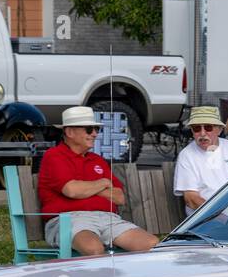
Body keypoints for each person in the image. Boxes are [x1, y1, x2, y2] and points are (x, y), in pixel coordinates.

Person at [38, 106, 158, 256]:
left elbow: (119, 197)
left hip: (108, 219)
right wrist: (103, 183)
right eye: (89, 129)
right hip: (70, 219)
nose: (95, 134)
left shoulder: (97, 160)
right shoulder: (54, 156)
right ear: (69, 132)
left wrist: (85, 189)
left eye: (96, 129)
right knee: (93, 249)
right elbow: (72, 190)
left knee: (153, 246)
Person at [174, 106, 228, 215]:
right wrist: (226, 220)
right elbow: (191, 200)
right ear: (192, 131)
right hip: (209, 222)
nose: (202, 133)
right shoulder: (187, 155)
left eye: (208, 128)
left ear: (219, 130)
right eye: (197, 128)